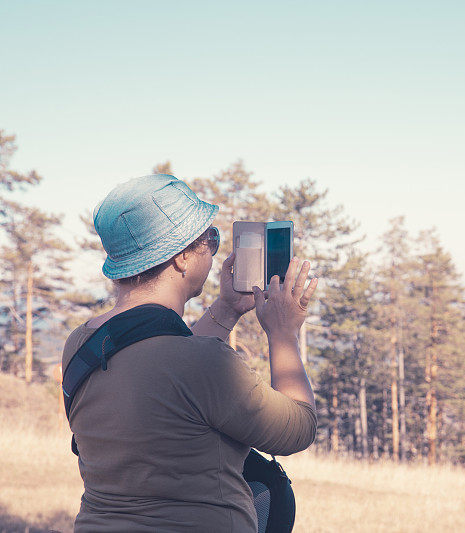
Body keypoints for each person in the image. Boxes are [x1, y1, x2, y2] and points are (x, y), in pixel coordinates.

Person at [61, 174, 318, 532]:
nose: (213, 249)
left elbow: (164, 366)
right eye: (209, 239)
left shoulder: (82, 343)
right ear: (182, 258)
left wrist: (227, 310)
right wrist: (283, 333)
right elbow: (299, 429)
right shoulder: (205, 362)